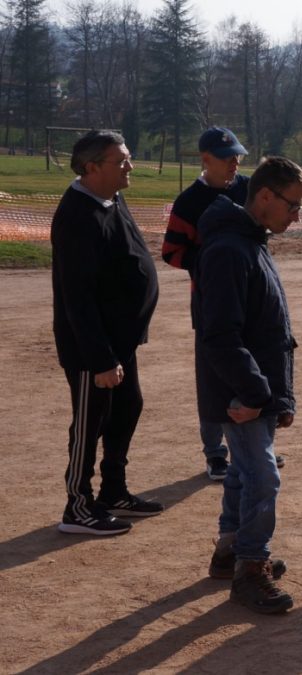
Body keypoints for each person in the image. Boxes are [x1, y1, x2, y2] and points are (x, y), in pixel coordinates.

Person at [195, 156, 302, 613]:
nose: (296, 215)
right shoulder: (228, 249)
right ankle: (250, 568)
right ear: (264, 196)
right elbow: (220, 336)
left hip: (255, 390)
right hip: (240, 393)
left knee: (243, 472)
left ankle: (229, 552)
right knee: (263, 476)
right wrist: (257, 394)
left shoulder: (252, 242)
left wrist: (279, 396)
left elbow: (270, 331)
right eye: (293, 205)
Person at [51, 130, 162, 535]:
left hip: (120, 340)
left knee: (127, 408)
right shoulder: (77, 216)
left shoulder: (111, 196)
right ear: (92, 167)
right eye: (121, 161)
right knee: (90, 422)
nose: (130, 166)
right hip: (91, 348)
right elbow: (77, 298)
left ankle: (113, 491)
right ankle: (78, 506)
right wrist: (100, 359)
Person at [162, 126, 284, 480]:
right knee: (215, 376)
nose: (234, 163)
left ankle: (255, 447)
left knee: (252, 368)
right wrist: (212, 261)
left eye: (237, 157)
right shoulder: (189, 202)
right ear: (206, 160)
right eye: (226, 157)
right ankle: (215, 454)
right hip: (211, 300)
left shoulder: (247, 189)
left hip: (251, 297)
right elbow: (171, 252)